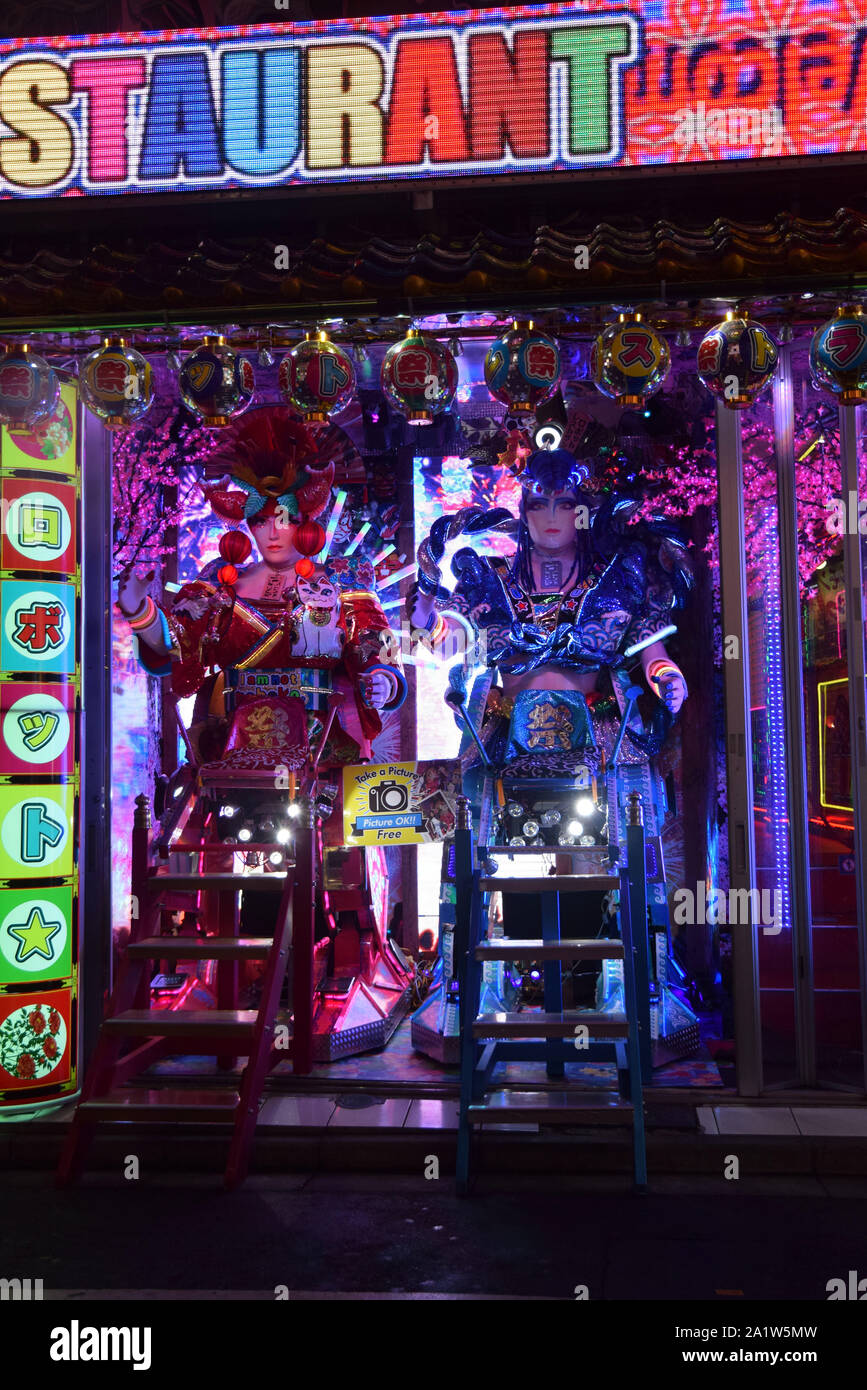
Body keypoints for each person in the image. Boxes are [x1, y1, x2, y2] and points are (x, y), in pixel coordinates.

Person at [117, 407, 405, 771]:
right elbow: (179, 643)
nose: (271, 533)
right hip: (231, 740)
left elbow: (372, 640)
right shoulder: (221, 581)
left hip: (321, 740)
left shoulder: (343, 577)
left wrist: (382, 680)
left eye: (284, 520)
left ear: (306, 519)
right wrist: (139, 611)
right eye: (259, 520)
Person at [408, 446, 690, 774]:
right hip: (505, 739)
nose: (552, 518)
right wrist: (425, 619)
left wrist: (669, 679)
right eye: (540, 506)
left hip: (599, 740)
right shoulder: (486, 576)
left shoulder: (617, 576)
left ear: (581, 513)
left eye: (565, 505)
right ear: (525, 513)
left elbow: (653, 655)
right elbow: (446, 643)